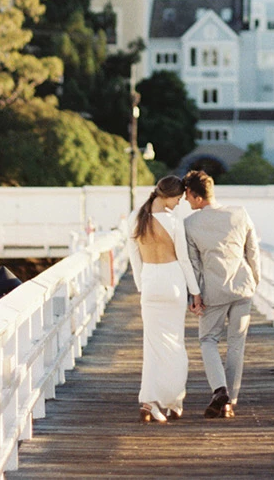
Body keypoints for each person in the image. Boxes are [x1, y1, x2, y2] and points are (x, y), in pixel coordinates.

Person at [182, 169, 260, 419]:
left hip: (213, 292)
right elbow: (253, 252)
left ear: (196, 197)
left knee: (208, 340)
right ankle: (230, 402)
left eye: (187, 195)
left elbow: (193, 264)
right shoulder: (240, 213)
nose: (184, 200)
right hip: (242, 288)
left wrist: (192, 296)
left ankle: (219, 390)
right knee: (237, 343)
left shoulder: (190, 224)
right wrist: (254, 282)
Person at [124, 175, 200, 423]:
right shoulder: (173, 221)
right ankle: (174, 401)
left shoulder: (135, 218)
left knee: (153, 347)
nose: (179, 203)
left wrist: (141, 287)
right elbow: (185, 261)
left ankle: (149, 402)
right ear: (167, 196)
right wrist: (195, 291)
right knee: (175, 345)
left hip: (150, 283)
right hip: (173, 283)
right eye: (178, 198)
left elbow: (135, 260)